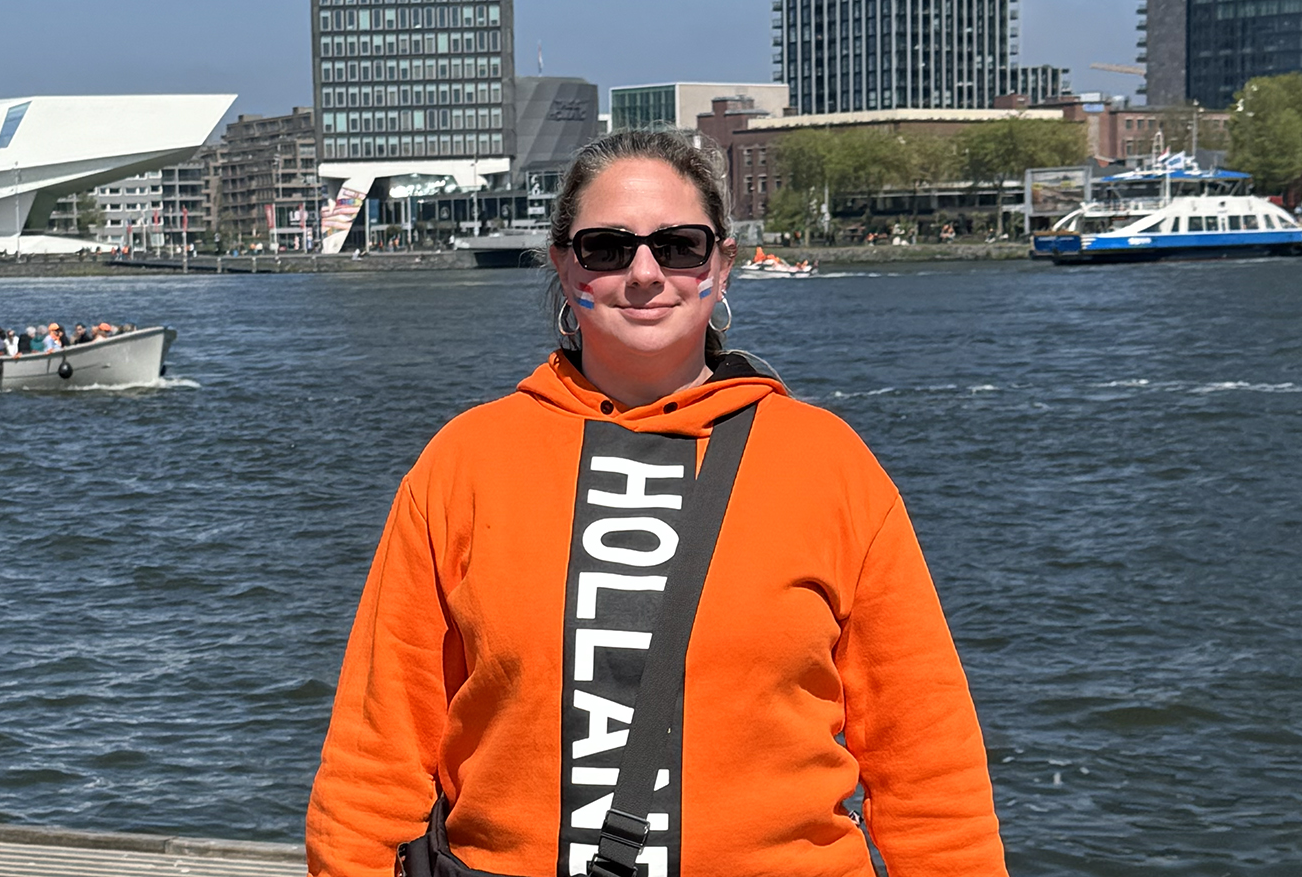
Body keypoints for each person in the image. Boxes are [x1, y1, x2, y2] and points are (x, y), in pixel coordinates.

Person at [307, 128, 1005, 876]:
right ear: (564, 266)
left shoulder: (828, 465)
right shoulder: (466, 462)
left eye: (678, 247)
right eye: (607, 248)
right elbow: (378, 748)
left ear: (722, 265)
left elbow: (925, 758)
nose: (644, 274)